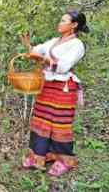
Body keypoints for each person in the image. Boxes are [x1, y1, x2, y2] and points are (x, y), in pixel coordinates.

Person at [21, 10, 89, 176]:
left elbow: (63, 66)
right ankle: (39, 155)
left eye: (63, 20)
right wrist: (29, 47)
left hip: (63, 87)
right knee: (41, 120)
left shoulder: (77, 45)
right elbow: (37, 50)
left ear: (74, 25)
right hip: (46, 85)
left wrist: (43, 59)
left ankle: (64, 160)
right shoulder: (54, 41)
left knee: (60, 123)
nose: (60, 23)